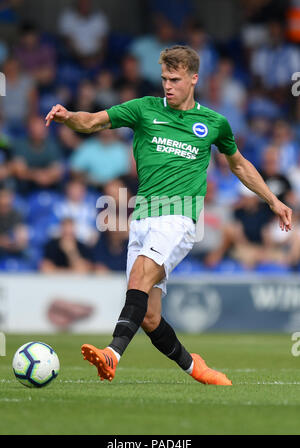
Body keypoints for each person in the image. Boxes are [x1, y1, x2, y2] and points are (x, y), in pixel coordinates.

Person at [46, 45, 292, 386]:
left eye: (175, 79)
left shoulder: (213, 123)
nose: (168, 85)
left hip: (180, 217)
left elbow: (239, 165)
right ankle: (196, 367)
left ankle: (112, 353)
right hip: (142, 217)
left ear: (194, 78)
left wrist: (273, 200)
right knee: (148, 315)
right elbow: (92, 121)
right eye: (164, 78)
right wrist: (68, 116)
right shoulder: (144, 109)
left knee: (139, 279)